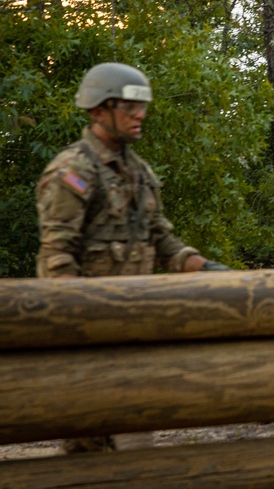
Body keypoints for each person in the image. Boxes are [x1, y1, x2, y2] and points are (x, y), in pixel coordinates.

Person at [35, 62, 228, 453]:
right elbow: (56, 257)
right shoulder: (73, 172)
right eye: (129, 107)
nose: (140, 115)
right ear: (98, 111)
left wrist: (209, 270)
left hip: (134, 328)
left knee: (136, 438)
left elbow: (163, 242)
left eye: (142, 107)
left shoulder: (138, 172)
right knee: (89, 445)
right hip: (89, 334)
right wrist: (78, 330)